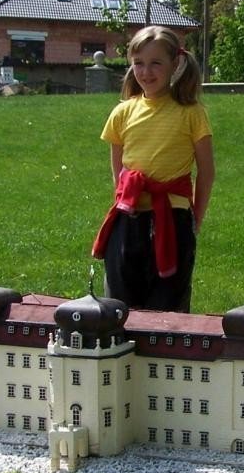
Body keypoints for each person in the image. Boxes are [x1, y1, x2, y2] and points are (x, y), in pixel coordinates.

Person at [92, 26, 215, 312]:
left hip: (173, 219)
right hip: (129, 217)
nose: (146, 72)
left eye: (155, 63)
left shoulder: (192, 113)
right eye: (139, 63)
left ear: (175, 64)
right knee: (121, 304)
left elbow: (206, 172)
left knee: (168, 303)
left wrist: (196, 215)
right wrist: (125, 205)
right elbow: (118, 172)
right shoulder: (122, 112)